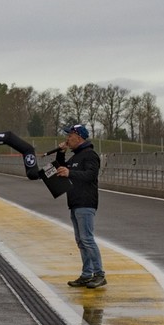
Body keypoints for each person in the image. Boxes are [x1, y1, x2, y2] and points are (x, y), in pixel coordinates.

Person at [55, 123, 105, 289]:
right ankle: (86, 274)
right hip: (75, 202)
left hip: (86, 202)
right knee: (81, 241)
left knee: (87, 239)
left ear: (79, 137)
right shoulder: (76, 156)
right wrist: (61, 153)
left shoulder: (89, 154)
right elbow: (62, 168)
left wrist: (70, 173)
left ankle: (99, 274)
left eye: (70, 136)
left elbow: (91, 175)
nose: (67, 139)